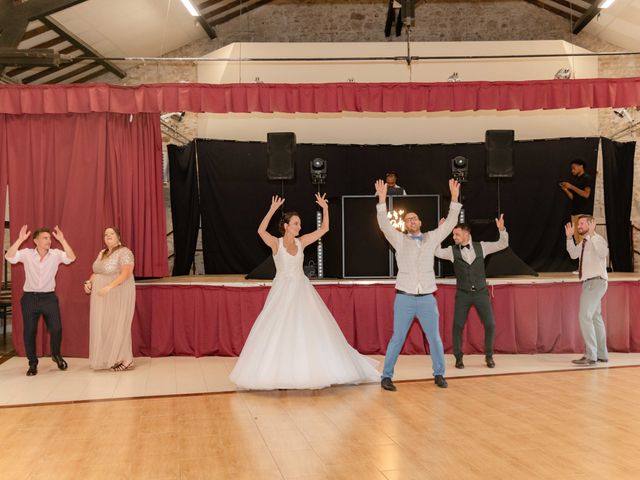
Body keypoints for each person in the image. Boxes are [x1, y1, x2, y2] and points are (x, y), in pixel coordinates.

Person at [229, 193, 379, 390]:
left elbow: (325, 228)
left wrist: (325, 208)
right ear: (286, 226)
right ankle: (278, 372)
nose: (299, 227)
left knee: (307, 329)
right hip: (282, 292)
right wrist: (272, 210)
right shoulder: (276, 243)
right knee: (278, 331)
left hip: (302, 291)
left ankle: (308, 370)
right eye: (296, 223)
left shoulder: (302, 242)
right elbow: (260, 230)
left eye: (299, 224)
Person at [376, 178, 461, 391]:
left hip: (427, 299)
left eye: (415, 218)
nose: (412, 221)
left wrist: (454, 199)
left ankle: (439, 374)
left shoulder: (432, 238)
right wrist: (381, 200)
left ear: (420, 223)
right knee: (397, 337)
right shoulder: (399, 240)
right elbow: (384, 225)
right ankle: (386, 377)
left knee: (434, 338)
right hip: (404, 297)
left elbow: (450, 224)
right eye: (409, 219)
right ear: (405, 225)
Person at [434, 217, 508, 369]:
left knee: (490, 324)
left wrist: (501, 230)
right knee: (457, 325)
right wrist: (439, 231)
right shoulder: (451, 251)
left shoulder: (482, 247)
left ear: (466, 234)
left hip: (481, 293)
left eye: (456, 235)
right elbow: (436, 251)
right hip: (463, 294)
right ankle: (458, 357)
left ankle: (489, 357)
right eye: (453, 235)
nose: (454, 237)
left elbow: (503, 244)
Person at [5, 225, 76, 376]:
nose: (49, 240)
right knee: (29, 331)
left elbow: (71, 258)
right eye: (45, 238)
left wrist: (62, 240)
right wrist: (19, 240)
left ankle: (56, 354)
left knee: (56, 329)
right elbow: (9, 257)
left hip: (49, 298)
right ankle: (32, 363)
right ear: (35, 241)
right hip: (30, 298)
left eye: (49, 238)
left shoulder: (56, 254)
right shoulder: (27, 254)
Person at [84, 227, 136, 371]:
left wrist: (109, 287)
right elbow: (96, 272)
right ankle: (113, 357)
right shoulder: (103, 253)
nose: (108, 236)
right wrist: (89, 282)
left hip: (118, 291)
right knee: (106, 325)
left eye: (111, 233)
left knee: (119, 323)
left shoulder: (125, 252)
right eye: (106, 234)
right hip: (101, 295)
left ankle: (127, 360)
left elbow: (127, 272)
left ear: (118, 236)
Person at [565, 216, 609, 366]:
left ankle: (591, 354)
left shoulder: (597, 239)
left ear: (591, 224)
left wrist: (592, 235)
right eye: (578, 224)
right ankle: (602, 354)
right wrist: (569, 238)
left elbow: (604, 253)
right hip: (589, 283)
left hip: (595, 282)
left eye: (582, 223)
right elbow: (573, 254)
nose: (579, 226)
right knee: (596, 318)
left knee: (585, 316)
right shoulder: (584, 242)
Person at [560, 159, 593, 244]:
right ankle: (581, 257)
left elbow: (586, 194)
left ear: (581, 166)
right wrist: (566, 190)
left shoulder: (587, 178)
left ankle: (585, 257)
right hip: (574, 213)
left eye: (573, 168)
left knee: (584, 239)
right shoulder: (576, 180)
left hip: (583, 213)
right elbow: (573, 197)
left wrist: (571, 187)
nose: (572, 170)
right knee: (577, 239)